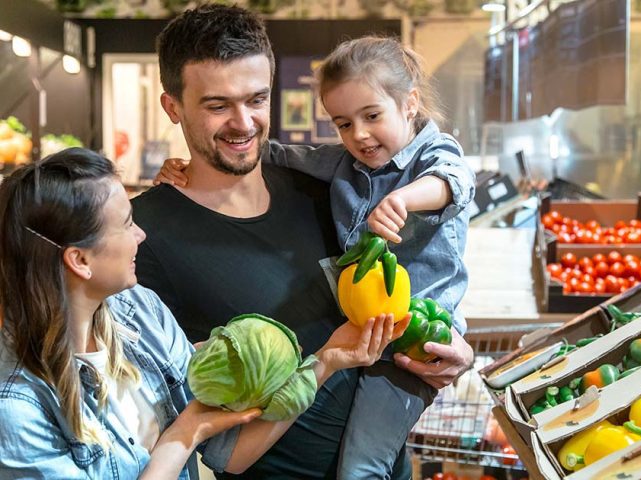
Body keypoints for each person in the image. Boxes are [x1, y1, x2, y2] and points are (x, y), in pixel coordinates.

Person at [133, 5, 475, 479]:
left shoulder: (330, 191)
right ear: (174, 108)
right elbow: (178, 420)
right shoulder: (142, 236)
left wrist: (455, 352)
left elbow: (412, 282)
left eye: (256, 99)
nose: (243, 122)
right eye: (217, 105)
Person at [0, 148, 397, 479]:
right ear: (79, 260)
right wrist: (185, 434)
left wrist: (326, 361)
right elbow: (196, 427)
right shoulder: (16, 407)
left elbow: (230, 452)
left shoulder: (140, 311)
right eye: (126, 224)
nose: (141, 234)